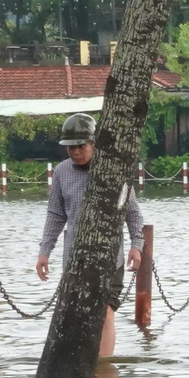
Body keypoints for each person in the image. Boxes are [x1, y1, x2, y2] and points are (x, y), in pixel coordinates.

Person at [36, 113, 142, 358]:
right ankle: (78, 359)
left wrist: (137, 245)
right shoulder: (62, 173)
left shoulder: (115, 171)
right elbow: (55, 215)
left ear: (94, 144)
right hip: (75, 257)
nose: (74, 151)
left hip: (110, 256)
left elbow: (133, 213)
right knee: (74, 313)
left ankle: (103, 365)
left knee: (105, 311)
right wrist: (44, 252)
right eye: (70, 147)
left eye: (80, 146)